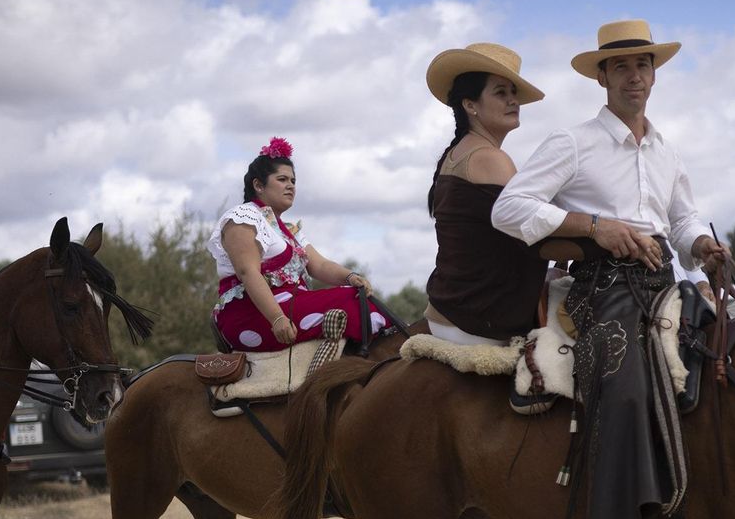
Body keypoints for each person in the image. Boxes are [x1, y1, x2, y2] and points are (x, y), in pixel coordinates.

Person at [492, 20, 731, 519]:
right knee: (625, 383)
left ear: (654, 74)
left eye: (643, 65)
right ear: (601, 76)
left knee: (732, 358)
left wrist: (702, 245)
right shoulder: (573, 142)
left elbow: (682, 219)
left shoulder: (667, 152)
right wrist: (595, 226)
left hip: (664, 280)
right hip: (602, 284)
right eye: (621, 66)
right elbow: (510, 208)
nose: (634, 76)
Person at [422, 42, 551, 346]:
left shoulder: (457, 153)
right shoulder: (490, 158)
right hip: (479, 317)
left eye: (513, 93)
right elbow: (535, 230)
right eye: (500, 93)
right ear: (470, 105)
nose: (512, 101)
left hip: (445, 308)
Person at [209, 138, 380, 357]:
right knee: (351, 303)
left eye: (293, 180)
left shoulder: (290, 230)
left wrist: (351, 277)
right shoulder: (243, 218)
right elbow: (247, 271)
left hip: (290, 305)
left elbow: (319, 265)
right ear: (258, 185)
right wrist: (277, 318)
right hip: (252, 312)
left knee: (358, 296)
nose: (291, 185)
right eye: (282, 179)